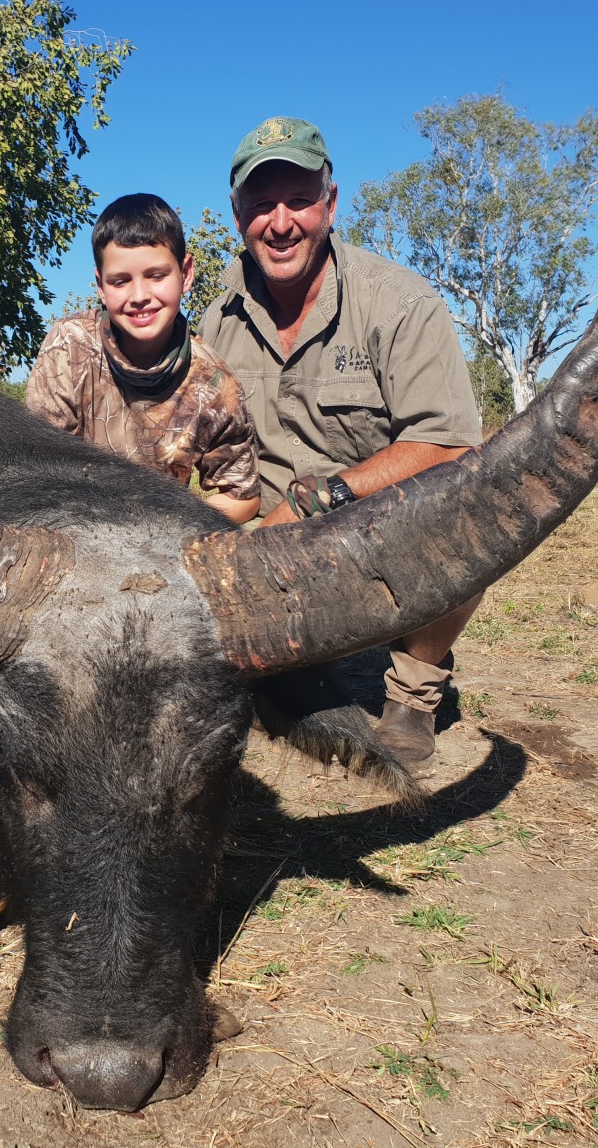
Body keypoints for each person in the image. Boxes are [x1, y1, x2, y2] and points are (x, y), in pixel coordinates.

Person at [199, 117, 484, 767]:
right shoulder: (213, 323)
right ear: (237, 214)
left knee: (471, 517)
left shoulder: (400, 303)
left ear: (330, 203)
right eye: (261, 203)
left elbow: (448, 444)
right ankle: (279, 670)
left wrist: (317, 500)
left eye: (298, 199)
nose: (280, 222)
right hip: (264, 557)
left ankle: (413, 695)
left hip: (376, 536)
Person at [26, 193, 261, 525]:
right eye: (120, 281)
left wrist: (169, 527)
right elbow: (36, 467)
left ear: (186, 274)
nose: (139, 297)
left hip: (160, 539)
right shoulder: (68, 346)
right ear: (100, 286)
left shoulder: (215, 384)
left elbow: (242, 497)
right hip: (72, 525)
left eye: (156, 275)